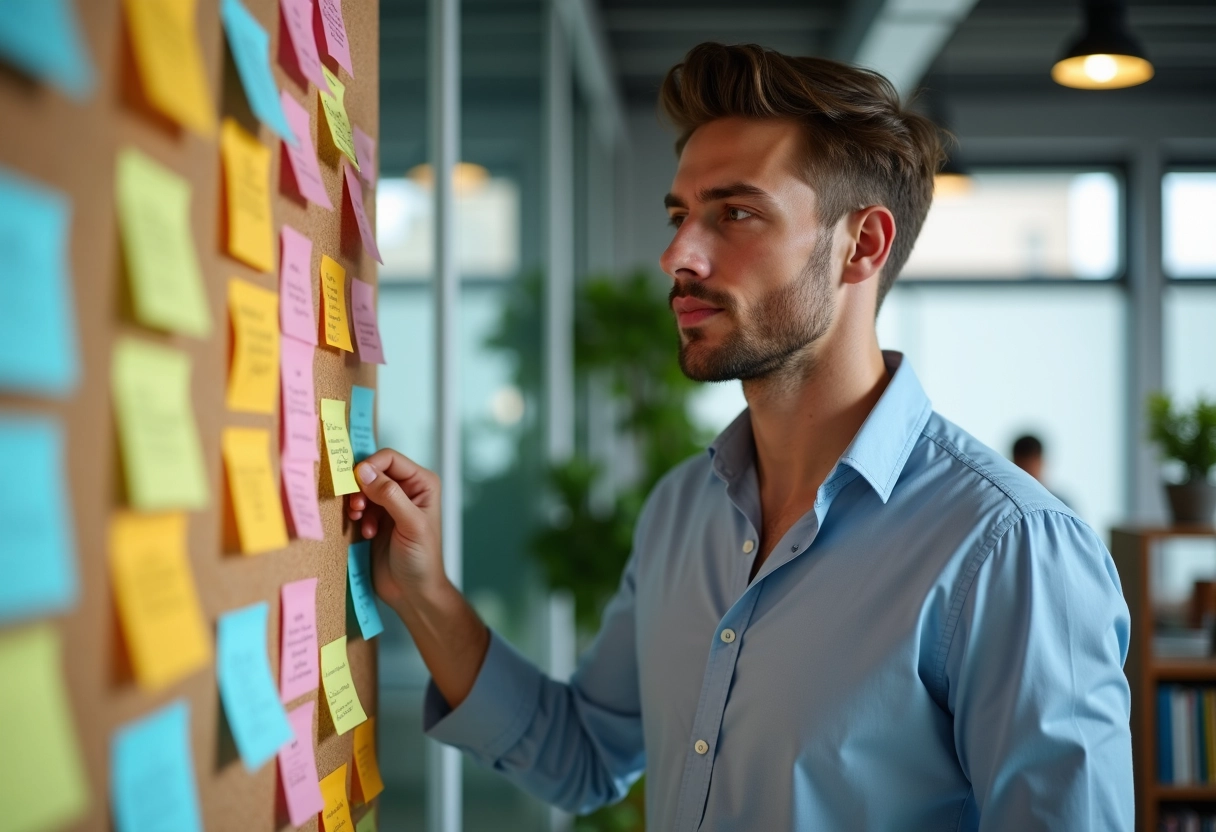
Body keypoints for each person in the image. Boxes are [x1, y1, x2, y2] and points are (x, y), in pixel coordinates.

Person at [348, 43, 1133, 831]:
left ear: (862, 245)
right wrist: (424, 592)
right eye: (680, 215)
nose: (677, 255)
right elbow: (585, 755)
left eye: (737, 213)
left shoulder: (1011, 549)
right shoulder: (679, 512)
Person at [1012, 433, 1075, 510]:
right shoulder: (1009, 502)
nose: (1027, 474)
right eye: (1023, 467)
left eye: (1031, 466)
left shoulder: (1063, 504)